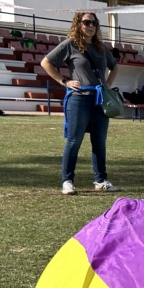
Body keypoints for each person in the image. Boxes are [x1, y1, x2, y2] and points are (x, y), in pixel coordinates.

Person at [41, 12, 119, 195]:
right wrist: (64, 81)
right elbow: (46, 62)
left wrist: (108, 83)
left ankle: (101, 180)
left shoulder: (101, 48)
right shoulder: (70, 44)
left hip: (100, 100)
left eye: (93, 22)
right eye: (86, 22)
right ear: (78, 24)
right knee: (74, 141)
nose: (90, 25)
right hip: (79, 99)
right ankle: (67, 180)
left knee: (99, 142)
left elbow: (114, 66)